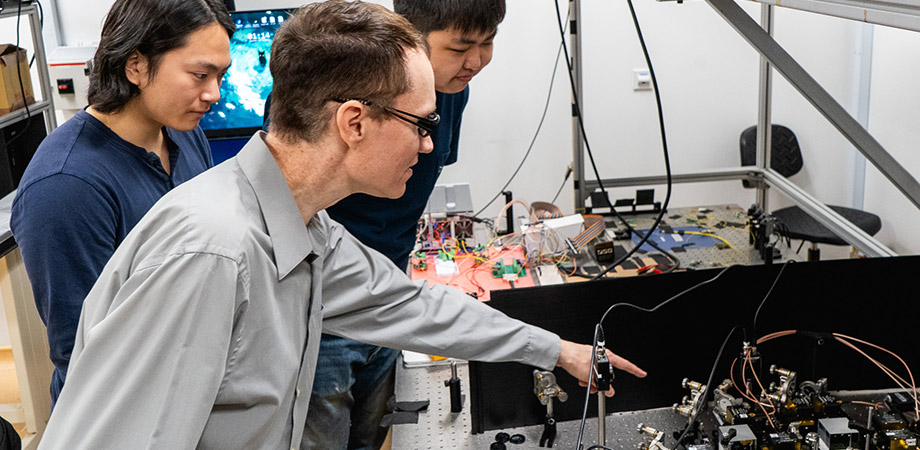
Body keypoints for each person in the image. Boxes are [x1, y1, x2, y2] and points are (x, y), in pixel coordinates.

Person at [37, 2, 646, 448]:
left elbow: (408, 305)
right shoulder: (213, 254)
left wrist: (554, 349)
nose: (431, 147)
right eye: (420, 124)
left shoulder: (304, 227)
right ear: (354, 123)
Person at [286, 1, 506, 447]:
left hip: (389, 290)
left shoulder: (452, 90)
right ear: (411, 39)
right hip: (325, 309)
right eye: (462, 46)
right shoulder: (339, 95)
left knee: (371, 433)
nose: (477, 61)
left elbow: (412, 186)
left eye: (488, 43)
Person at [9, 0, 232, 405]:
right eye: (200, 75)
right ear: (136, 67)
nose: (213, 94)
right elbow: (83, 348)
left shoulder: (182, 133)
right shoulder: (66, 186)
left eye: (220, 76)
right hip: (124, 403)